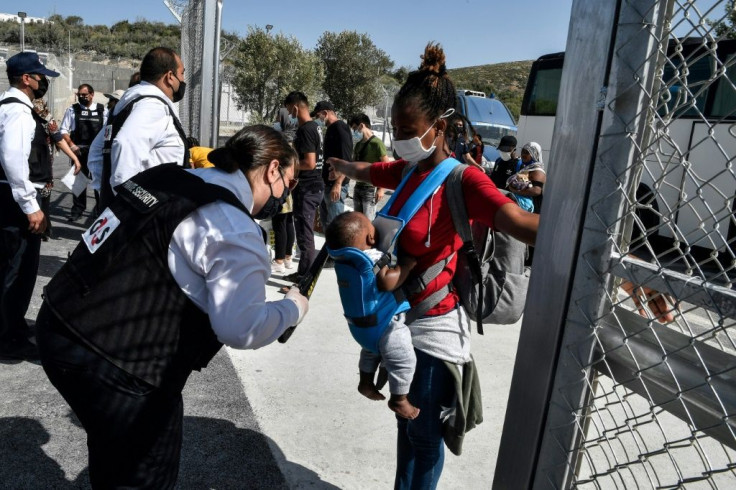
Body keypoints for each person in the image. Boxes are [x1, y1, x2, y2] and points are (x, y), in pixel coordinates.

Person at [36, 125, 310, 488]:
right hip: (120, 367)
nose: (283, 197)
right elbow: (240, 327)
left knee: (110, 453)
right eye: (287, 185)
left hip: (57, 322)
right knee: (143, 476)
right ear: (272, 169)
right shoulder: (233, 226)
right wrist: (292, 308)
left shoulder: (164, 176)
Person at [328, 43, 539, 489]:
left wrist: (589, 224)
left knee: (423, 438)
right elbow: (372, 169)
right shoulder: (408, 169)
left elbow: (521, 223)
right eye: (396, 128)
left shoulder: (464, 180)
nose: (400, 137)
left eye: (408, 128)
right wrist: (343, 166)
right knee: (408, 433)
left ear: (439, 127)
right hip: (400, 321)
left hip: (436, 327)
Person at [326, 211, 420, 419]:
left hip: (363, 329)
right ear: (371, 238)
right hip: (385, 326)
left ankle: (366, 382)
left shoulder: (346, 262)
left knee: (371, 351)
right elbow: (388, 281)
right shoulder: (373, 256)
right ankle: (399, 399)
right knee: (403, 359)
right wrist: (407, 265)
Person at [0, 52, 60, 360]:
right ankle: (9, 339)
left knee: (14, 268)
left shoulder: (8, 107)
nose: (43, 82)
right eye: (40, 77)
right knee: (18, 270)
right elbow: (13, 159)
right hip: (17, 201)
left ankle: (13, 327)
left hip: (12, 199)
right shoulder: (19, 113)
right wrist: (29, 205)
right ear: (27, 79)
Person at [90, 47, 189, 209]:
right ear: (170, 77)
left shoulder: (127, 103)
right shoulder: (153, 105)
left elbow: (96, 151)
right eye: (182, 73)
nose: (183, 80)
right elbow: (124, 143)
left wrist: (106, 192)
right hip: (145, 221)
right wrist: (131, 205)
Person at [282, 91, 324, 284]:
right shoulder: (314, 127)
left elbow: (310, 163)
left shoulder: (306, 129)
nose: (289, 114)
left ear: (296, 108)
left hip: (308, 189)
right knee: (304, 235)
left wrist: (289, 167)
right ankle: (302, 273)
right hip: (312, 187)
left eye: (290, 110)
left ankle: (304, 280)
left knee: (305, 238)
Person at [33, 99, 82, 240]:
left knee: (41, 199)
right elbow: (59, 140)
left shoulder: (44, 119)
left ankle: (43, 228)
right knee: (41, 200)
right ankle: (43, 228)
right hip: (38, 167)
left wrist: (74, 157)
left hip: (39, 166)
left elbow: (59, 139)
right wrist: (75, 158)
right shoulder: (43, 118)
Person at [60, 83, 108, 221]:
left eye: (85, 95)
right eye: (80, 95)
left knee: (98, 180)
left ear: (92, 95)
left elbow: (106, 130)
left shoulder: (102, 111)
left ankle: (99, 210)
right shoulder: (72, 110)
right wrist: (71, 145)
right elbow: (63, 130)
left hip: (97, 152)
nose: (82, 97)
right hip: (79, 151)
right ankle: (77, 210)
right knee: (78, 181)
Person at [313, 100, 352, 230]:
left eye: (318, 115)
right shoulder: (331, 129)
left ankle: (337, 251)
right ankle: (329, 250)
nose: (318, 119)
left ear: (325, 113)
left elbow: (346, 160)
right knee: (327, 226)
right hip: (327, 185)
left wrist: (338, 183)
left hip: (336, 186)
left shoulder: (340, 128)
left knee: (335, 228)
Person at [349, 113, 389, 221]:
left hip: (370, 189)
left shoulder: (377, 143)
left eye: (354, 128)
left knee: (368, 221)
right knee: (357, 220)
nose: (354, 132)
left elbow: (386, 166)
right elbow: (354, 164)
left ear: (362, 126)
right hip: (358, 187)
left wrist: (381, 189)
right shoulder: (358, 145)